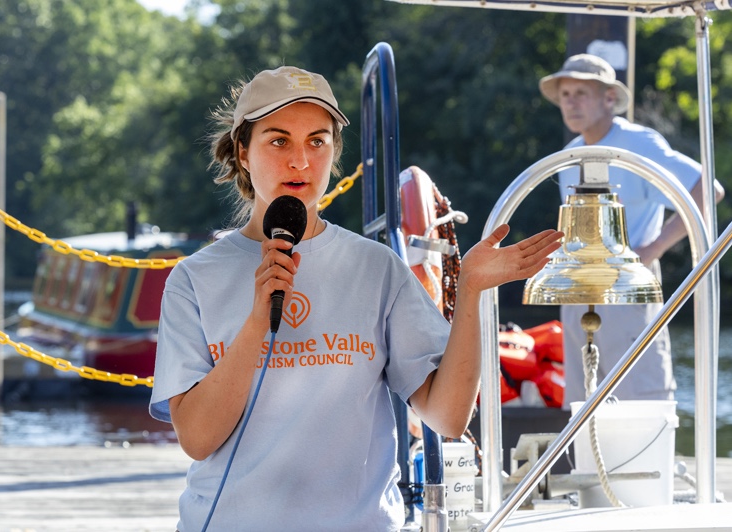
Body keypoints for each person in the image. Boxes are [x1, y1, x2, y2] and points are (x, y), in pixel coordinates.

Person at [149, 65, 563, 531]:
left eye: (318, 141)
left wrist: (471, 291)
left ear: (334, 152)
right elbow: (198, 439)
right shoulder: (194, 279)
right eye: (279, 140)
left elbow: (446, 417)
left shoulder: (378, 267)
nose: (301, 162)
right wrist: (256, 320)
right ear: (243, 152)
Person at [539, 54, 725, 407]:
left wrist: (652, 249)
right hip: (576, 285)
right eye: (565, 94)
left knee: (642, 397)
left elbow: (708, 188)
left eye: (581, 92)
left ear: (609, 98)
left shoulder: (638, 143)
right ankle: (587, 465)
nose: (571, 102)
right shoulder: (568, 154)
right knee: (580, 402)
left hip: (627, 284)